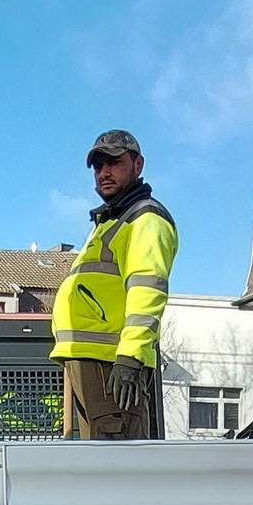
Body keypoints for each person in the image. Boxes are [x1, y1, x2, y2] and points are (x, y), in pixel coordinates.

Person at [50, 129, 177, 440]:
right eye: (98, 165)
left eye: (114, 162)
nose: (103, 172)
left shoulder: (144, 220)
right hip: (92, 360)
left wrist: (130, 358)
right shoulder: (112, 222)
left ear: (138, 164)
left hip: (112, 363)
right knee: (101, 465)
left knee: (118, 463)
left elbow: (147, 291)